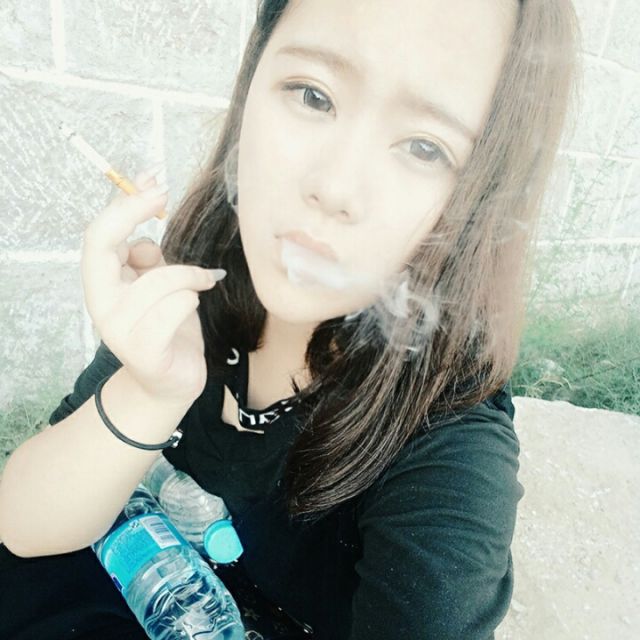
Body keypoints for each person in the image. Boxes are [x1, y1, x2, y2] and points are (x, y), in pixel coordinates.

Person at [0, 0, 580, 638]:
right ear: (252, 83)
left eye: (424, 147)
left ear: (477, 199)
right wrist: (149, 393)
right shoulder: (202, 285)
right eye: (313, 95)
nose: (334, 188)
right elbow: (25, 527)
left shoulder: (446, 445)